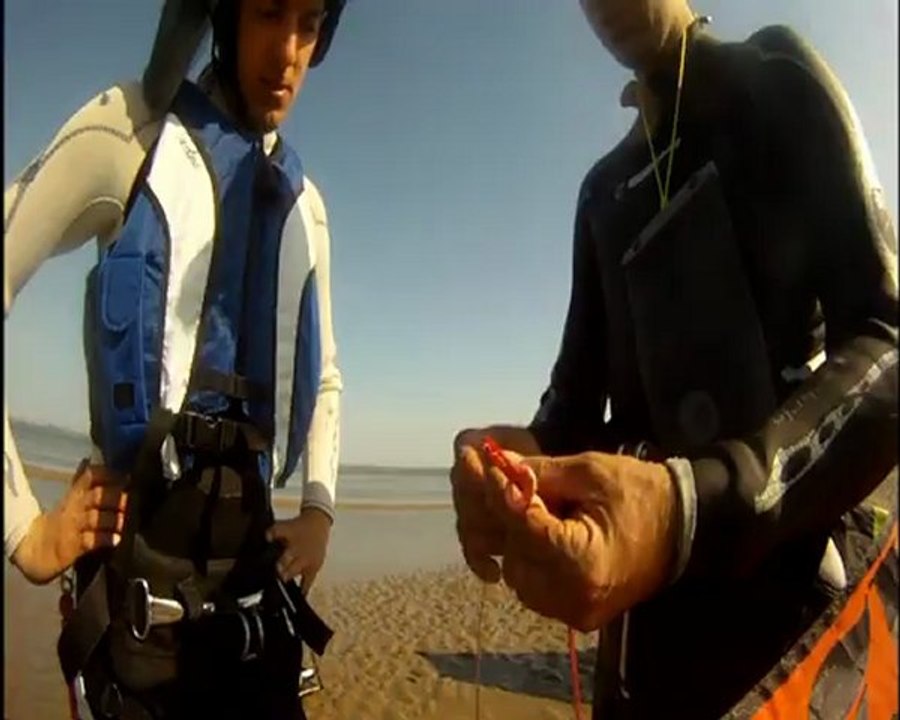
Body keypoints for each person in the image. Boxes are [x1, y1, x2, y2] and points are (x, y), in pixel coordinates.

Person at [451, 0, 898, 717]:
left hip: (791, 617)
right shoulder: (602, 188)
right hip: (643, 638)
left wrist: (684, 508)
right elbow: (573, 403)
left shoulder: (771, 78)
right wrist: (515, 466)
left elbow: (887, 340)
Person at [4, 0, 347, 717]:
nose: (288, 52)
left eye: (309, 22)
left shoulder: (306, 206)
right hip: (139, 623)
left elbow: (324, 374)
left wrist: (318, 509)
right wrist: (25, 532)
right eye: (268, 12)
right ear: (222, 14)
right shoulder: (129, 135)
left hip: (253, 608)